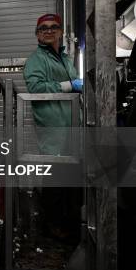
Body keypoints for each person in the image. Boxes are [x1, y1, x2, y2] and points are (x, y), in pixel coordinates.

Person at [23, 13, 82, 241]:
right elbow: (36, 88)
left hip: (71, 126)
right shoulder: (36, 59)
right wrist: (70, 85)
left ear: (61, 32)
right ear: (37, 34)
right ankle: (51, 229)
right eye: (43, 28)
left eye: (53, 27)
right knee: (55, 180)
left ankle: (70, 225)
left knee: (70, 179)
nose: (49, 31)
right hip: (53, 128)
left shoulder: (66, 59)